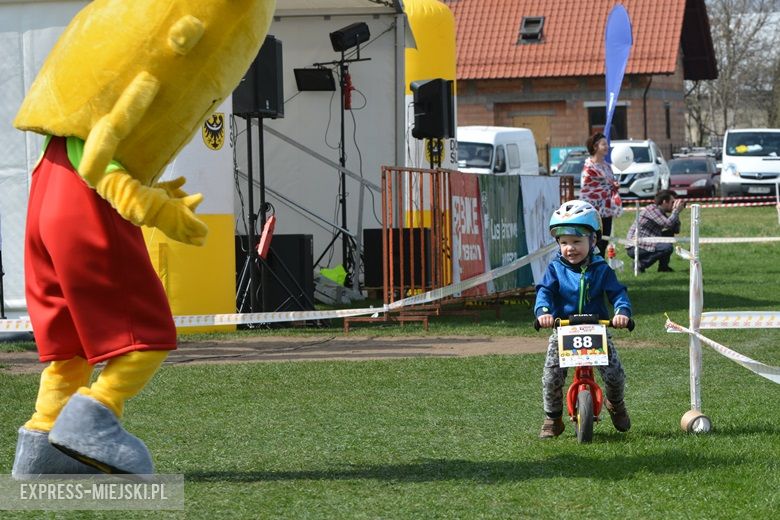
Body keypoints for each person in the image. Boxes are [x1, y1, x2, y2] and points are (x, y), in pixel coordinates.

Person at [534, 200, 632, 439]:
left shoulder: (602, 269)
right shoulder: (556, 269)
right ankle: (553, 417)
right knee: (552, 375)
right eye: (564, 242)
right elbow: (544, 292)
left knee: (614, 374)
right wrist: (543, 312)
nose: (570, 248)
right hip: (563, 329)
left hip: (596, 328)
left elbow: (617, 293)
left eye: (577, 242)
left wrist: (622, 312)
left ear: (593, 241)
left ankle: (616, 404)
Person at [579, 132, 623, 256]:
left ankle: (600, 269)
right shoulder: (589, 168)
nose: (607, 147)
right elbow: (588, 189)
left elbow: (608, 184)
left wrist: (614, 187)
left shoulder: (607, 167)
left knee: (604, 241)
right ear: (595, 147)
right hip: (592, 212)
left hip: (607, 210)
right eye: (604, 144)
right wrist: (607, 188)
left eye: (607, 144)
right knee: (593, 242)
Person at [625, 190, 686, 273]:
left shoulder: (661, 213)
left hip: (646, 242)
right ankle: (640, 264)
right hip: (635, 245)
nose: (674, 205)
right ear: (664, 202)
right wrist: (676, 211)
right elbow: (667, 224)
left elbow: (676, 230)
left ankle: (663, 268)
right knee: (667, 247)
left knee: (668, 235)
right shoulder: (651, 209)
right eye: (672, 202)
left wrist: (676, 213)